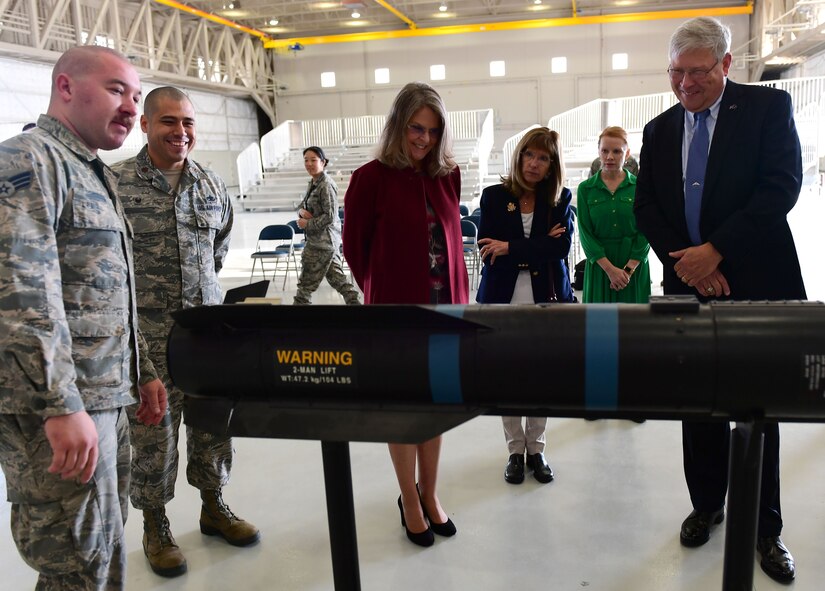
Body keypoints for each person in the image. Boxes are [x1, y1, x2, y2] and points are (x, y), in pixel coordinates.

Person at [634, 16, 805, 584]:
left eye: (697, 73)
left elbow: (780, 188)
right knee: (697, 402)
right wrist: (691, 262)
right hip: (689, 286)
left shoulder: (766, 111)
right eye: (676, 73)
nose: (685, 85)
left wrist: (717, 252)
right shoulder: (658, 131)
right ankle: (706, 502)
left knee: (759, 411)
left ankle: (765, 527)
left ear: (727, 65)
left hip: (755, 286)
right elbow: (648, 210)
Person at [0, 46, 166, 590]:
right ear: (66, 87)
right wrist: (59, 402)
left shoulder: (94, 173)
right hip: (65, 410)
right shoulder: (29, 160)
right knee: (74, 564)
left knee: (101, 556)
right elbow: (23, 294)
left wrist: (139, 373)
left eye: (136, 97)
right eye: (118, 90)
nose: (130, 108)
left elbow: (105, 291)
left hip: (104, 400)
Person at [113, 86, 259, 578]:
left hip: (207, 338)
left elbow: (217, 251)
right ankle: (155, 525)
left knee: (213, 427)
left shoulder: (211, 185)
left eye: (188, 123)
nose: (180, 132)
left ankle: (214, 507)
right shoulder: (117, 186)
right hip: (148, 344)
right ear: (146, 126)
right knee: (153, 437)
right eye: (168, 122)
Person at [343, 81, 469, 547]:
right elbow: (355, 251)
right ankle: (408, 498)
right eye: (416, 128)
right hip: (396, 315)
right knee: (402, 411)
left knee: (435, 409)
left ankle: (430, 493)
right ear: (398, 125)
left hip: (445, 312)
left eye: (433, 131)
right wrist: (384, 293)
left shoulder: (447, 175)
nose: (424, 139)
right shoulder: (369, 178)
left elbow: (455, 246)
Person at [474, 127, 573, 485]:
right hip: (503, 298)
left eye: (543, 158)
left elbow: (560, 250)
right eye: (529, 155)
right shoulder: (494, 196)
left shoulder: (560, 201)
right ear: (519, 157)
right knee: (508, 376)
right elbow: (489, 251)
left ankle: (537, 448)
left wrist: (511, 247)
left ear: (552, 165)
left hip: (546, 297)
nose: (534, 163)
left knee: (542, 375)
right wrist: (535, 245)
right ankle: (515, 450)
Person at [577, 126, 651, 304]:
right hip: (600, 267)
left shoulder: (641, 187)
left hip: (634, 265)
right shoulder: (585, 189)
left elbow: (647, 230)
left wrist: (627, 270)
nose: (610, 156)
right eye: (605, 151)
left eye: (617, 151)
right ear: (599, 152)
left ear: (627, 154)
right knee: (600, 326)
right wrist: (610, 270)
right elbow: (585, 234)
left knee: (635, 326)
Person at [293, 146, 360, 305]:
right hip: (319, 241)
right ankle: (356, 306)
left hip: (324, 242)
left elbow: (329, 216)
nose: (309, 163)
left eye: (313, 160)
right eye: (306, 160)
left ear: (323, 162)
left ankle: (296, 317)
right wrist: (302, 212)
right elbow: (303, 206)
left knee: (306, 285)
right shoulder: (313, 183)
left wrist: (308, 223)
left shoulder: (326, 185)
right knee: (338, 280)